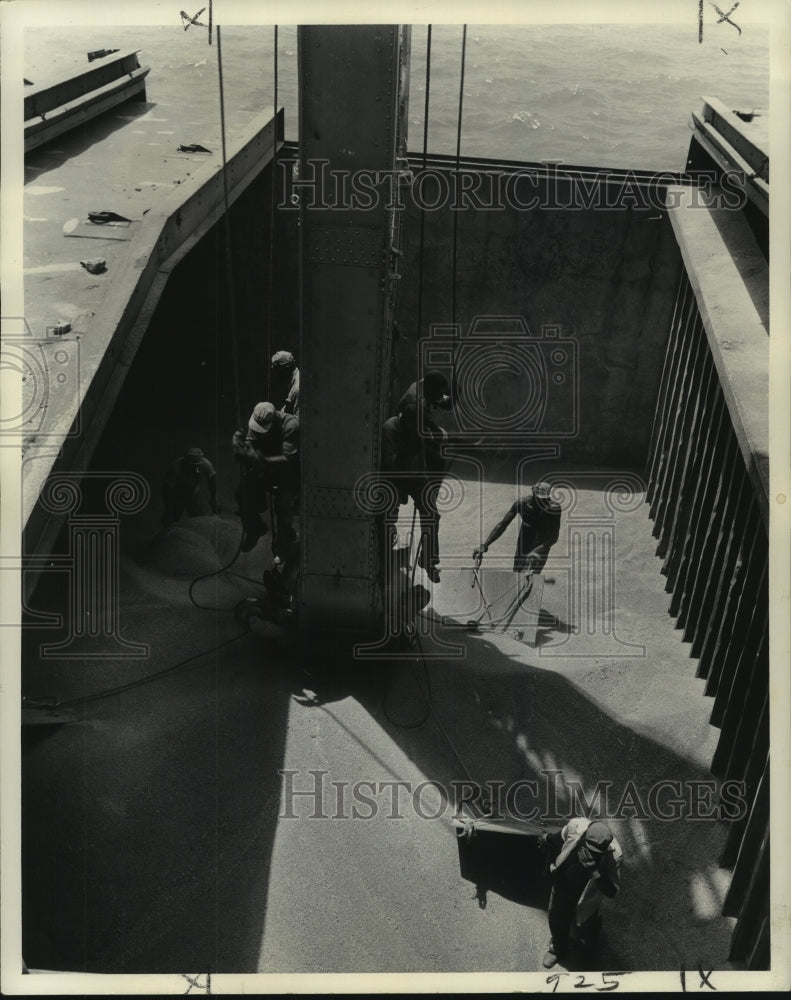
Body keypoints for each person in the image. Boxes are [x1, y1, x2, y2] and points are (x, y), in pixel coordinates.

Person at [381, 371, 452, 583]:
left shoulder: (425, 387)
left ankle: (428, 559)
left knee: (431, 514)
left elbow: (443, 403)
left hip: (413, 452)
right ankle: (383, 560)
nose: (437, 402)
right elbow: (393, 467)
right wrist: (405, 489)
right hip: (397, 465)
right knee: (387, 510)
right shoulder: (404, 416)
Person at [540, 817, 622, 968]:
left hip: (586, 895)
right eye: (588, 848)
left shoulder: (614, 855)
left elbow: (612, 892)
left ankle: (588, 940)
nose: (590, 854)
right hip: (564, 885)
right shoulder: (576, 826)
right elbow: (560, 837)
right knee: (557, 917)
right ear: (583, 835)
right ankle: (558, 949)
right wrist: (546, 838)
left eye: (596, 853)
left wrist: (594, 871)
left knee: (586, 923)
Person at [232, 401, 300, 556]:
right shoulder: (257, 421)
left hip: (287, 473)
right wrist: (242, 450)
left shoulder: (291, 425)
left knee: (282, 505)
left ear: (274, 420)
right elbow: (251, 442)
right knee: (241, 493)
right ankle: (255, 528)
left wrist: (263, 460)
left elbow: (289, 459)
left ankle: (284, 542)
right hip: (265, 469)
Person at [473, 481, 561, 574]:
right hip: (523, 544)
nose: (542, 502)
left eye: (544, 499)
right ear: (533, 495)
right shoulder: (522, 504)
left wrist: (536, 551)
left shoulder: (553, 508)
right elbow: (502, 525)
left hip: (540, 546)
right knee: (516, 575)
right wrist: (485, 545)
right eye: (538, 499)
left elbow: (554, 537)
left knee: (529, 578)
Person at [161, 447, 217, 527]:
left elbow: (212, 480)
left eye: (198, 465)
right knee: (171, 519)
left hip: (193, 492)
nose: (196, 469)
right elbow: (167, 490)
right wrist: (168, 508)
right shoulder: (176, 467)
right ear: (186, 463)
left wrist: (213, 498)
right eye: (193, 466)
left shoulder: (206, 464)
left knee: (198, 518)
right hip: (176, 493)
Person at [271, 350, 300, 419]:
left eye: (277, 370)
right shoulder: (291, 380)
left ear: (286, 369)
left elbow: (297, 422)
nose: (275, 374)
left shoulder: (297, 388)